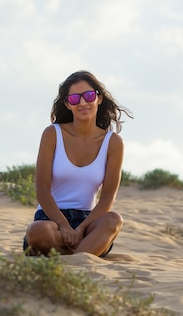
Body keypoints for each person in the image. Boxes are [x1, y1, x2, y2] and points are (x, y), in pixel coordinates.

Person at [23, 71, 133, 257]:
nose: (83, 103)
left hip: (89, 223)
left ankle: (73, 260)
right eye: (74, 98)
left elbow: (107, 199)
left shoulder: (113, 143)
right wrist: (64, 225)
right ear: (68, 104)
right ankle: (84, 255)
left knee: (114, 220)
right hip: (50, 220)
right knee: (38, 231)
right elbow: (42, 189)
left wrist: (81, 229)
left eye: (88, 96)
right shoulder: (52, 134)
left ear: (98, 98)